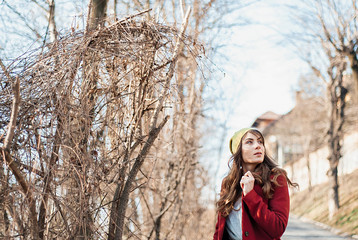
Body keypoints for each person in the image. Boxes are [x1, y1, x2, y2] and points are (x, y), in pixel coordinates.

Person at [213, 128, 298, 240]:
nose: (258, 146)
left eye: (260, 142)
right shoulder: (228, 183)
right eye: (249, 142)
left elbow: (278, 228)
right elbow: (220, 228)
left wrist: (251, 195)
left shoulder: (276, 178)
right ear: (238, 150)